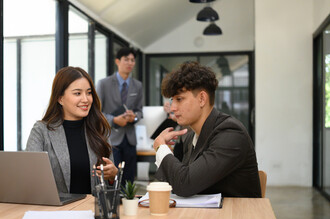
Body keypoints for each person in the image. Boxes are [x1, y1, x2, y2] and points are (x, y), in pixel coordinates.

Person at [153, 62, 261, 198]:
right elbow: (177, 183)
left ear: (202, 99)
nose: (173, 107)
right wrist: (168, 152)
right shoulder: (191, 136)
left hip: (237, 216)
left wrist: (161, 149)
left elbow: (184, 184)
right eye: (172, 100)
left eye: (179, 99)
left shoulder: (231, 133)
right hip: (208, 215)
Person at [26, 66, 118, 194]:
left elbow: (110, 187)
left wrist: (113, 176)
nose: (86, 99)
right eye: (77, 93)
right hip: (55, 211)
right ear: (60, 98)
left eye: (89, 92)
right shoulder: (41, 131)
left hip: (92, 210)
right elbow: (30, 176)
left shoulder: (98, 129)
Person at [96, 47, 143, 185]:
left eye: (132, 60)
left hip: (130, 140)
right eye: (126, 59)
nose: (130, 63)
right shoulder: (103, 84)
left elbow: (140, 111)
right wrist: (113, 120)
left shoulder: (138, 85)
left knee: (128, 180)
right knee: (112, 180)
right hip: (111, 139)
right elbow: (96, 112)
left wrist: (133, 117)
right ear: (117, 61)